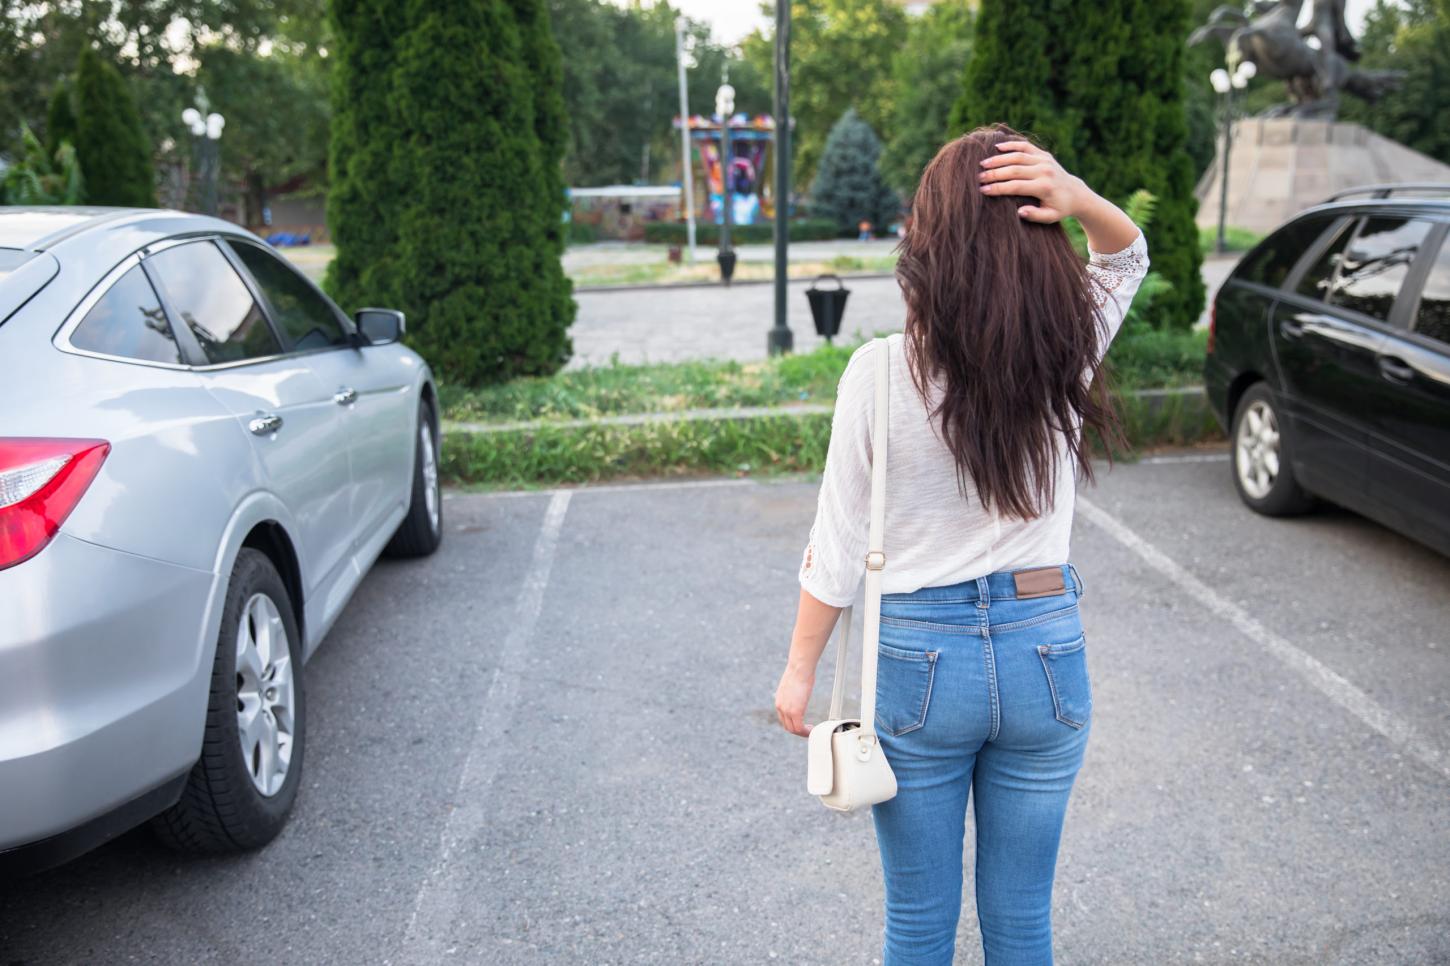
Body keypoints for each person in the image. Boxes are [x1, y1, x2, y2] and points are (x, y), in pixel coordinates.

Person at [774, 125, 1147, 965]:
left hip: (917, 664)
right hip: (1044, 648)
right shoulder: (1066, 350)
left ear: (927, 242)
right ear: (1041, 233)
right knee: (1022, 922)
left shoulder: (876, 372)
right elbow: (1126, 256)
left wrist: (801, 670)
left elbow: (834, 543)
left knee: (917, 923)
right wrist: (1077, 194)